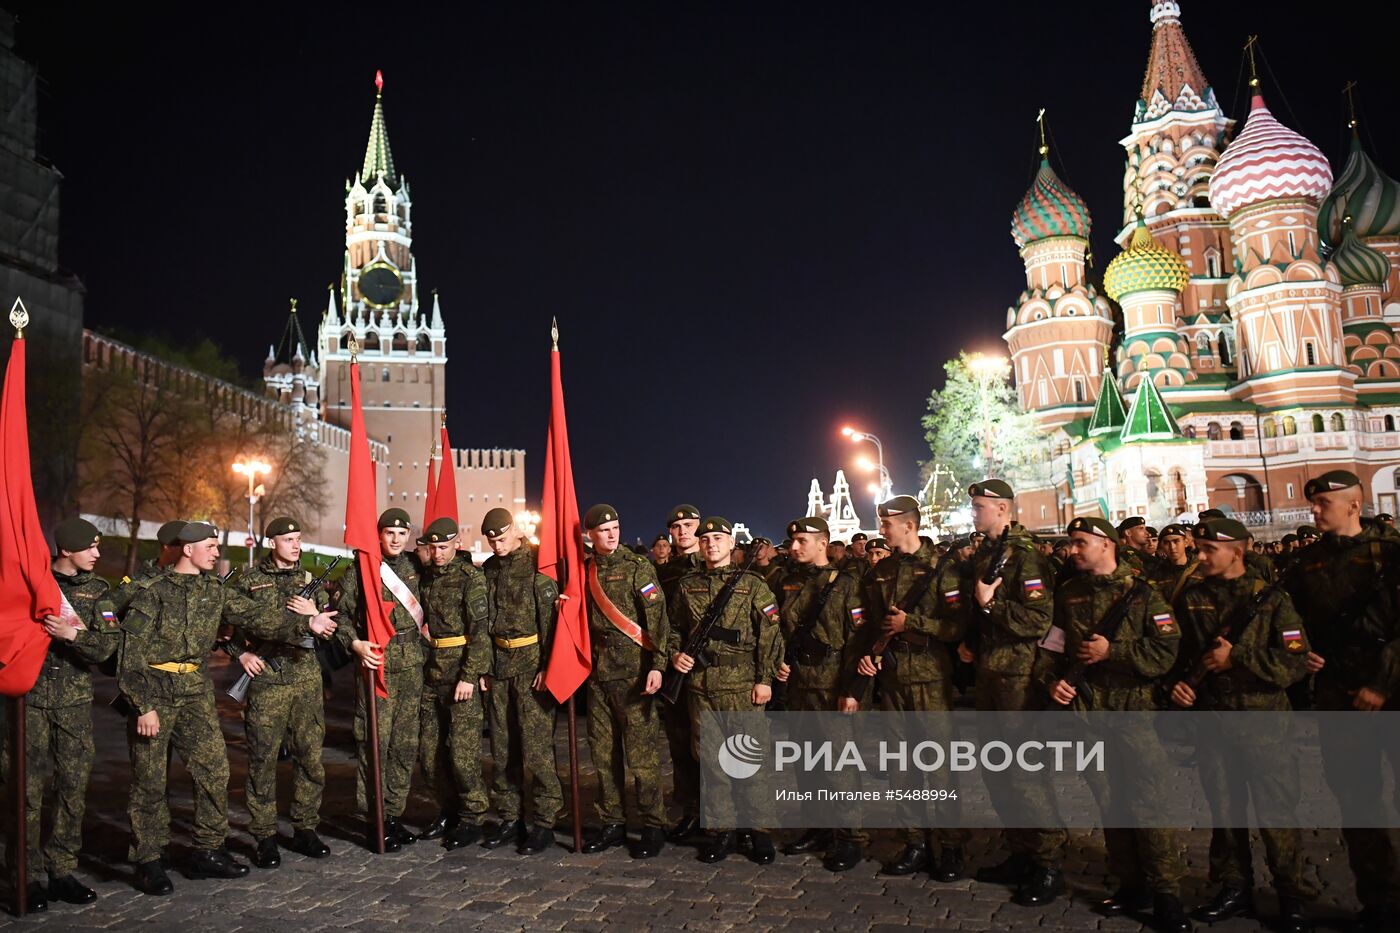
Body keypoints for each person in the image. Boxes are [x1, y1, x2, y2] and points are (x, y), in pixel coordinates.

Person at [1168, 518, 1315, 933]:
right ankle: (1234, 888)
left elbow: (1295, 661)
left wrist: (1239, 660)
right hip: (1214, 722)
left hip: (1263, 722)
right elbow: (1178, 654)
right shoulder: (1191, 598)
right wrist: (1177, 687)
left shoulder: (1271, 600)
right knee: (1224, 811)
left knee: (1276, 812)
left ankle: (1292, 895)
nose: (1199, 556)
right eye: (1197, 548)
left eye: (1208, 550)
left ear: (1238, 550)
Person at [1047, 517, 1189, 933]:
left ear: (1106, 545)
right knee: (1109, 802)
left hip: (1134, 716)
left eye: (1079, 543)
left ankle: (1167, 894)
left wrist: (1115, 652)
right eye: (1071, 543)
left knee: (1149, 804)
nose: (1072, 550)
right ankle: (1132, 885)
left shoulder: (1144, 593)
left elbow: (1166, 651)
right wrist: (1052, 682)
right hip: (1089, 717)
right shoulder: (1069, 594)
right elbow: (1052, 648)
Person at [119, 522, 275, 894]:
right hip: (154, 692)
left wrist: (307, 620)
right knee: (150, 781)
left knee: (214, 770)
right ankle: (149, 860)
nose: (216, 552)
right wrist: (143, 706)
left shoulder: (213, 591)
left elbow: (258, 615)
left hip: (196, 692)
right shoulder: (151, 591)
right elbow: (129, 658)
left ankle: (207, 850)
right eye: (209, 546)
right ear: (188, 550)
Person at [1285, 471, 1400, 931]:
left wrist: (1382, 684)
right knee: (1357, 800)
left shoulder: (1392, 556)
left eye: (1323, 504)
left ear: (1354, 504)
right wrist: (1301, 652)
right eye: (1312, 504)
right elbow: (1290, 624)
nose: (1313, 511)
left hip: (1390, 692)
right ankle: (1381, 903)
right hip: (1337, 694)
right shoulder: (1307, 563)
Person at [841, 497, 968, 880]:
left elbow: (957, 627)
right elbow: (873, 623)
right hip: (892, 678)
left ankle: (950, 847)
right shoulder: (883, 570)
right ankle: (914, 842)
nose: (882, 530)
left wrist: (914, 624)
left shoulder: (944, 568)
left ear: (909, 525)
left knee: (941, 766)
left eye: (887, 524)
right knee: (901, 766)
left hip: (930, 676)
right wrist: (869, 655)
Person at [958, 480, 1067, 906]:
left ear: (1002, 508)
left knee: (1025, 774)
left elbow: (1038, 620)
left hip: (1019, 680)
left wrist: (990, 607)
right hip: (991, 674)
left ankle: (1048, 864)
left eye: (980, 507)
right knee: (998, 772)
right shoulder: (990, 554)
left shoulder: (1025, 557)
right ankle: (1021, 852)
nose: (974, 513)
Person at [667, 516, 782, 864]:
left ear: (731, 544)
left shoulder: (753, 585)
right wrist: (675, 654)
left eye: (718, 538)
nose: (711, 544)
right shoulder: (687, 586)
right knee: (712, 762)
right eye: (705, 540)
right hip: (701, 686)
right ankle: (722, 830)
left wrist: (765, 679)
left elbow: (771, 633)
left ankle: (758, 830)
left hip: (742, 685)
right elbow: (672, 627)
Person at [21, 519, 120, 910]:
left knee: (72, 788)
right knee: (26, 790)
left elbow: (109, 647)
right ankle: (25, 873)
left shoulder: (99, 592)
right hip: (28, 700)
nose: (97, 553)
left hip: (75, 702)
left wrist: (74, 636)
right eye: (90, 547)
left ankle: (61, 869)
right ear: (65, 550)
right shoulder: (33, 584)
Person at [227, 517, 336, 869]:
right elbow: (219, 623)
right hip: (267, 683)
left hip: (305, 679)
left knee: (310, 757)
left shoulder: (310, 581)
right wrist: (240, 654)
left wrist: (314, 613)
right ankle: (264, 835)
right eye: (288, 539)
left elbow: (327, 631)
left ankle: (305, 827)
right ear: (271, 542)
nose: (295, 545)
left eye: (298, 539)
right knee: (263, 760)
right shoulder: (249, 581)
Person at [772, 515, 866, 872]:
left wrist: (851, 690)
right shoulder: (788, 582)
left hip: (831, 686)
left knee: (840, 765)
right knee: (806, 763)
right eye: (792, 541)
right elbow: (780, 629)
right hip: (799, 685)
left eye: (802, 541)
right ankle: (819, 827)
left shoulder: (845, 584)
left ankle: (850, 837)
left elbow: (857, 641)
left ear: (823, 543)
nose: (794, 547)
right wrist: (779, 662)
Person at [578, 505, 670, 859]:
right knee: (603, 755)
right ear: (590, 535)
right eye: (604, 530)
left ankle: (652, 824)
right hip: (599, 676)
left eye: (616, 528)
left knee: (642, 755)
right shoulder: (585, 571)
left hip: (634, 674)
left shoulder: (637, 567)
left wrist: (658, 665)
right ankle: (612, 822)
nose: (612, 535)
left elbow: (657, 618)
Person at [333, 507, 426, 853]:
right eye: (389, 533)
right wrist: (354, 643)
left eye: (402, 534)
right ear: (379, 534)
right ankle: (374, 819)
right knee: (375, 744)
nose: (396, 539)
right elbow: (341, 615)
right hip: (378, 665)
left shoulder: (416, 567)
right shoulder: (361, 570)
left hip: (412, 665)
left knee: (404, 746)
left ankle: (394, 814)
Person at [479, 507, 563, 855]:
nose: (497, 545)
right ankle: (510, 817)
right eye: (492, 540)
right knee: (502, 748)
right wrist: (484, 667)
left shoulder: (537, 564)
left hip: (531, 667)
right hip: (499, 666)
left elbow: (550, 622)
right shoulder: (488, 570)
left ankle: (545, 821)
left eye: (501, 538)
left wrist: (548, 666)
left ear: (515, 530)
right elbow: (482, 623)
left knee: (537, 748)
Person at [415, 517, 491, 851]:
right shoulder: (427, 578)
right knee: (430, 754)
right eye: (433, 548)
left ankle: (474, 817)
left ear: (456, 544)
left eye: (444, 547)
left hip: (460, 675)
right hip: (432, 675)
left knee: (462, 754)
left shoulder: (469, 578)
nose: (438, 553)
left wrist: (469, 676)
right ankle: (448, 810)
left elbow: (480, 631)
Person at [656, 504, 704, 842]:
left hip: (711, 670)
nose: (683, 531)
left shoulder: (717, 565)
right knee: (680, 742)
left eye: (689, 525)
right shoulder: (665, 572)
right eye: (677, 527)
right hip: (676, 667)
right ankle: (690, 810)